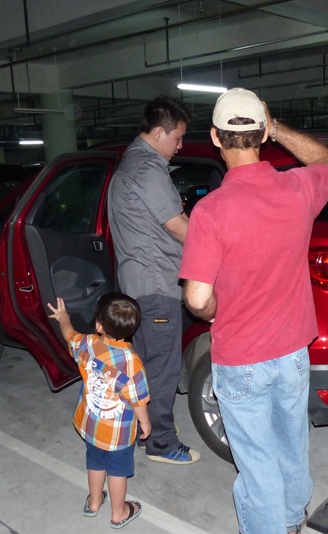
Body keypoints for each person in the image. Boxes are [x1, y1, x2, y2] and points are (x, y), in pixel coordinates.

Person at [179, 88, 328, 534]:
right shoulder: (297, 189)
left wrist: (224, 308)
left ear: (215, 139)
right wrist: (282, 128)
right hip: (294, 350)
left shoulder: (212, 212)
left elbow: (197, 300)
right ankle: (291, 520)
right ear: (263, 133)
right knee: (291, 439)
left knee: (256, 462)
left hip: (242, 356)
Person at [107, 96, 200, 465]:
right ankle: (161, 443)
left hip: (136, 285)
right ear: (159, 132)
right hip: (156, 285)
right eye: (177, 138)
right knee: (162, 369)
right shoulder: (147, 168)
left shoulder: (129, 163)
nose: (180, 146)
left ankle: (141, 433)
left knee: (145, 366)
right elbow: (178, 228)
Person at [47, 292, 151, 529]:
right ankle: (119, 512)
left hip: (91, 425)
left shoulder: (87, 344)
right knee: (117, 472)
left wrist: (63, 315)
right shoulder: (131, 362)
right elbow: (137, 400)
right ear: (132, 328)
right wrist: (145, 423)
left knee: (95, 463)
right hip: (118, 434)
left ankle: (94, 502)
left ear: (98, 325)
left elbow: (68, 334)